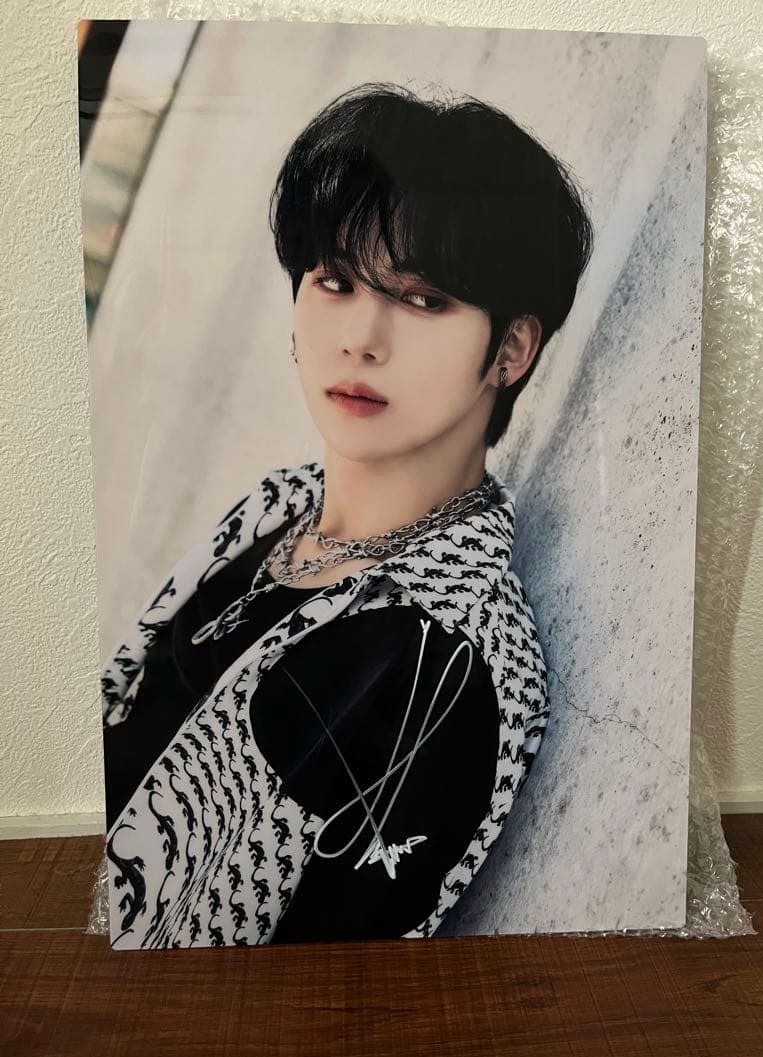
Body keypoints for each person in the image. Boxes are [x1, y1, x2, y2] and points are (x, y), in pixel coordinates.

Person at [100, 82, 593, 949]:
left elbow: (338, 980)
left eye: (423, 299)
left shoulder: (454, 661)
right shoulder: (272, 517)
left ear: (512, 350)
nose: (362, 338)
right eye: (334, 281)